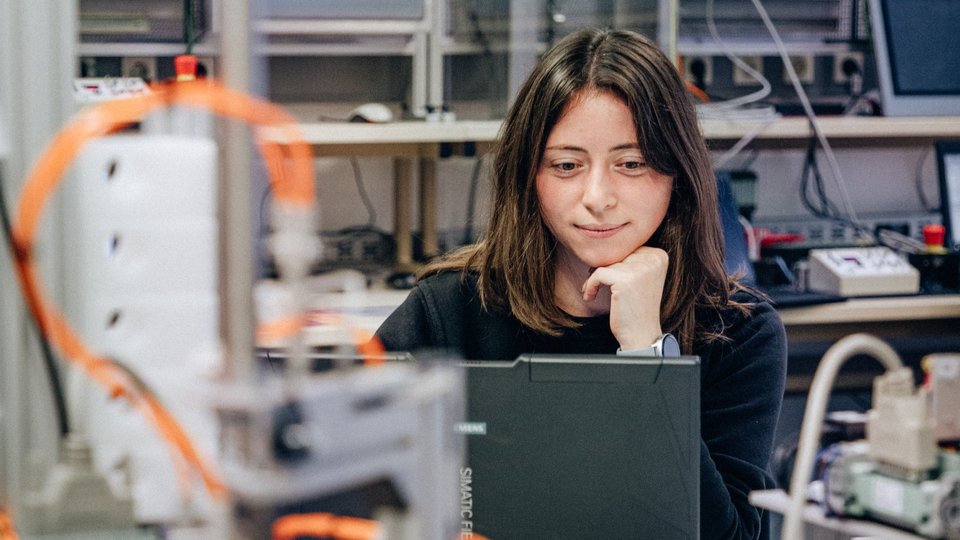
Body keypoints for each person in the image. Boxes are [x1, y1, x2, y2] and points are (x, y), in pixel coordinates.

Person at [375, 27, 786, 539]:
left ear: (676, 172)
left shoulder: (738, 330)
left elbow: (729, 537)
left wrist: (647, 353)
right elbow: (341, 482)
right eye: (567, 165)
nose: (598, 196)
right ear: (529, 176)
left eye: (631, 163)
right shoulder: (452, 306)